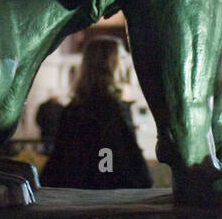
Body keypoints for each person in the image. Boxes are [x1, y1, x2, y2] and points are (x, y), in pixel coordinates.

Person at [40, 38, 151, 189]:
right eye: (121, 58)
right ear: (112, 64)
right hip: (105, 193)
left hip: (76, 191)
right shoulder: (112, 109)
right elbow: (110, 155)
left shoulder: (73, 109)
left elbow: (60, 158)